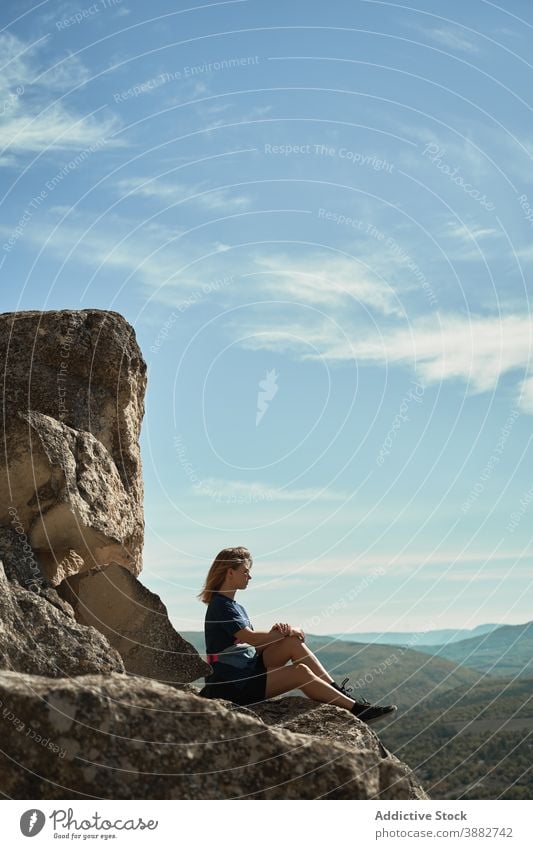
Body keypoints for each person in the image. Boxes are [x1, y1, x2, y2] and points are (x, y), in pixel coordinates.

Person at [197, 546, 397, 725]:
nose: (249, 577)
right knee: (300, 672)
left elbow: (246, 648)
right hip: (233, 685)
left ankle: (340, 693)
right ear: (230, 572)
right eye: (245, 572)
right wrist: (283, 631)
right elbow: (252, 638)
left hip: (244, 671)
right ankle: (356, 710)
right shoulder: (220, 606)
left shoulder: (234, 606)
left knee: (291, 643)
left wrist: (282, 635)